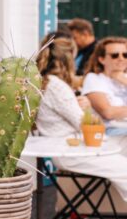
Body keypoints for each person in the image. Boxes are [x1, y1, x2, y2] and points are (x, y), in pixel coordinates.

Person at [35, 34, 127, 203]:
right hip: (71, 152)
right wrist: (88, 109)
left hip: (73, 147)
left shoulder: (48, 83)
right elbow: (87, 125)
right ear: (70, 57)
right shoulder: (57, 86)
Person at [81, 36, 127, 136]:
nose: (121, 58)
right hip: (109, 130)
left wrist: (124, 80)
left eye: (125, 55)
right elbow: (108, 112)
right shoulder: (94, 78)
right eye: (115, 55)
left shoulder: (125, 78)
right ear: (102, 59)